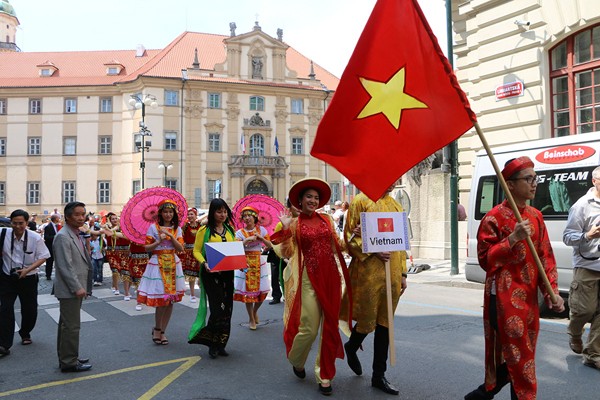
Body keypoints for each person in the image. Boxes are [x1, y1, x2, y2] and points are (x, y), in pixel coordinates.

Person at [465, 157, 564, 400]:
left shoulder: (536, 216)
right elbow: (486, 261)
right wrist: (512, 239)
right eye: (527, 179)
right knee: (521, 359)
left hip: (529, 298)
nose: (534, 184)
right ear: (509, 184)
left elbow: (545, 258)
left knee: (520, 354)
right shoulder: (493, 218)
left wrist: (552, 291)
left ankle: (480, 396)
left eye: (535, 178)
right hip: (504, 299)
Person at [272, 177, 351, 396]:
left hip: (330, 277)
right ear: (300, 199)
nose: (313, 201)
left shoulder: (326, 219)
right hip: (307, 278)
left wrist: (355, 237)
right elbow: (285, 253)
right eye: (309, 197)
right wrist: (286, 231)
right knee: (309, 327)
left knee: (330, 327)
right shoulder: (293, 223)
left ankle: (324, 375)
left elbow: (338, 245)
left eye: (316, 198)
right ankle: (297, 360)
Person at [341, 183, 407, 395]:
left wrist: (403, 273)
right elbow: (350, 239)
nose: (393, 181)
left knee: (385, 323)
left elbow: (401, 242)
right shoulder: (360, 201)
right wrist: (375, 251)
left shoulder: (396, 205)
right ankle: (352, 346)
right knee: (368, 321)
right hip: (369, 272)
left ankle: (379, 375)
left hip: (393, 272)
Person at [188, 198, 237, 359]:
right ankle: (211, 343)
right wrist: (205, 263)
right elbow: (196, 251)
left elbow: (233, 250)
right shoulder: (204, 230)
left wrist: (241, 261)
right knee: (218, 309)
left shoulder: (230, 230)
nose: (222, 214)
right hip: (211, 274)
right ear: (212, 212)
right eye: (219, 211)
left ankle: (221, 343)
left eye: (224, 211)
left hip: (228, 275)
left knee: (227, 309)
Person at [562, 165, 600, 369]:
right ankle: (575, 332)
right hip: (587, 265)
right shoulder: (582, 205)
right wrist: (588, 235)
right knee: (584, 311)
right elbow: (567, 237)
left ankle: (593, 354)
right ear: (594, 181)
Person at [0, 209, 50, 356]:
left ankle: (25, 332)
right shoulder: (3, 233)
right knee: (5, 310)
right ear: (10, 223)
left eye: (21, 223)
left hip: (28, 278)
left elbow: (44, 256)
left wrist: (27, 270)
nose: (17, 226)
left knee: (30, 310)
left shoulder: (35, 238)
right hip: (7, 277)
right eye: (14, 223)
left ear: (26, 223)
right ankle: (4, 344)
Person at [137, 199, 185, 345]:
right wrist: (159, 241)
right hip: (157, 264)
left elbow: (180, 248)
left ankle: (163, 331)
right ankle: (157, 328)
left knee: (170, 300)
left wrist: (170, 237)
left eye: (171, 212)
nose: (168, 214)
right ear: (160, 213)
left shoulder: (178, 229)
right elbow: (147, 248)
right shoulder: (153, 228)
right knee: (161, 298)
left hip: (173, 263)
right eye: (165, 212)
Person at [53, 201, 93, 372]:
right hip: (70, 289)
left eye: (83, 214)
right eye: (77, 214)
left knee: (66, 325)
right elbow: (64, 265)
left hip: (75, 287)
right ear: (67, 217)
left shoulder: (75, 233)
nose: (81, 217)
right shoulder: (63, 236)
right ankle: (69, 361)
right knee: (71, 326)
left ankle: (67, 357)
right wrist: (77, 287)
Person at [234, 206, 272, 330]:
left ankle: (255, 311)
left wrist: (261, 239)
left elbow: (270, 246)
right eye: (244, 216)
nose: (247, 218)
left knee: (263, 291)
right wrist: (246, 241)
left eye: (249, 215)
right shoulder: (240, 233)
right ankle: (251, 318)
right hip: (245, 263)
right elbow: (235, 247)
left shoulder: (262, 230)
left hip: (259, 262)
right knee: (248, 293)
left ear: (255, 217)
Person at [181, 208, 202, 303]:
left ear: (196, 215)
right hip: (189, 252)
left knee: (201, 273)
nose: (189, 216)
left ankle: (202, 290)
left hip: (199, 252)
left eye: (191, 214)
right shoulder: (185, 226)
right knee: (191, 274)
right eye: (188, 215)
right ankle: (192, 294)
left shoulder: (200, 226)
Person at [43, 214, 61, 280]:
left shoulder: (59, 226)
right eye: (58, 218)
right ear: (55, 219)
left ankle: (59, 274)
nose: (59, 219)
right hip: (50, 247)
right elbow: (46, 237)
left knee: (59, 261)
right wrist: (55, 237)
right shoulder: (48, 227)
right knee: (49, 262)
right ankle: (48, 275)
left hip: (58, 247)